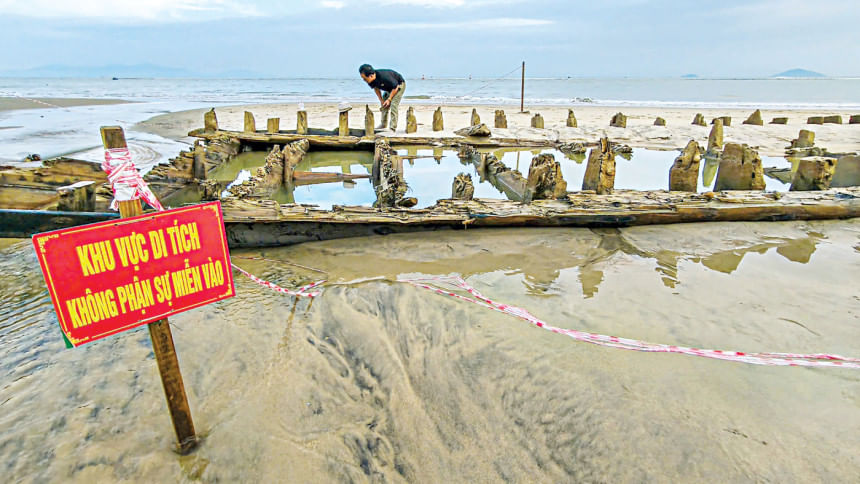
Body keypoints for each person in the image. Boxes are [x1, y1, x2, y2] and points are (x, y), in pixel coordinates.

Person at [359, 64, 405, 132]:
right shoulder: (370, 81)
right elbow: (376, 89)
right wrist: (381, 100)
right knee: (384, 105)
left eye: (365, 79)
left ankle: (392, 128)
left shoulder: (384, 77)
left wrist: (389, 99)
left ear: (371, 76)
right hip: (389, 88)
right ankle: (383, 124)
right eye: (363, 79)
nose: (364, 80)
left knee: (393, 105)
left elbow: (395, 87)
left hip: (399, 85)